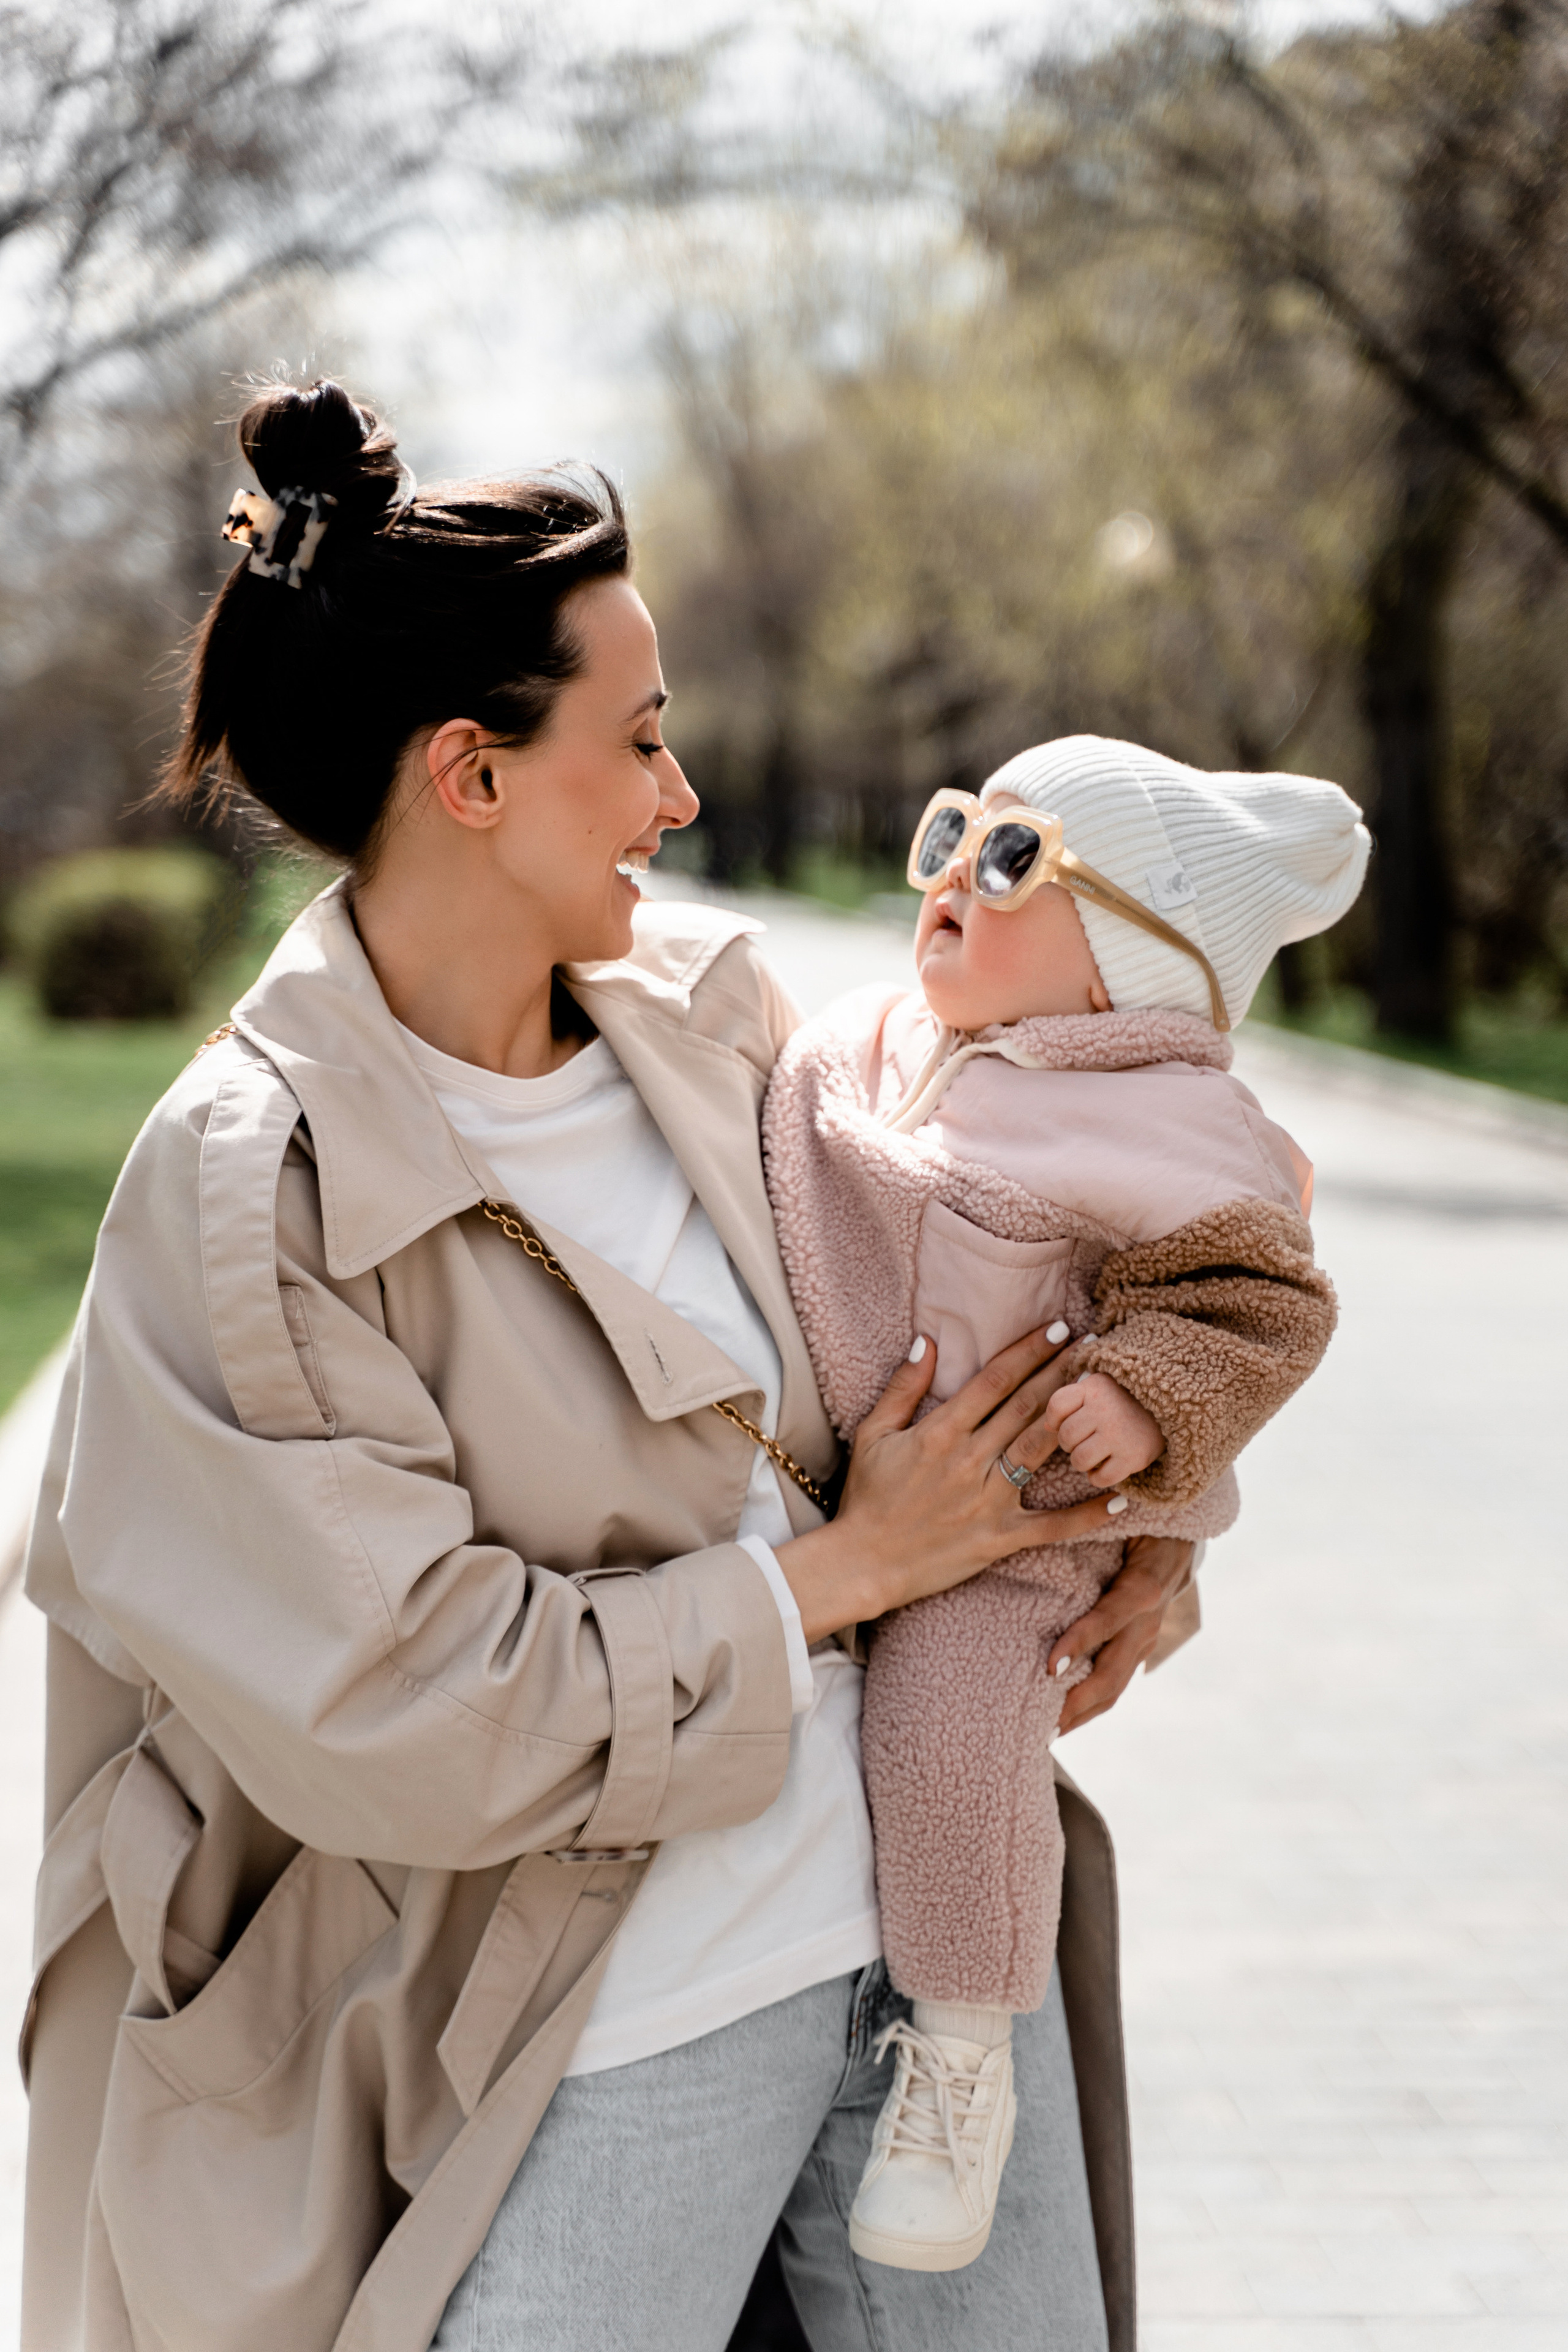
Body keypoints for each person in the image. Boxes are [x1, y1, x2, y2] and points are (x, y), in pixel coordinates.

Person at [20, 380, 1186, 2352]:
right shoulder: (249, 1196)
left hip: (919, 1974)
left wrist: (1132, 1519)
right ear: (470, 775)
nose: (682, 796)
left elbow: (991, 1326)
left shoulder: (732, 1033)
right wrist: (849, 1575)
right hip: (591, 2031)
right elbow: (413, 1702)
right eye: (637, 741)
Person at [761, 736, 1368, 2274]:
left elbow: (1259, 1308)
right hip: (872, 1475)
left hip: (1023, 1516)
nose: (957, 874)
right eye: (952, 833)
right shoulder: (879, 1034)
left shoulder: (1172, 1126)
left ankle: (956, 2061)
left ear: (1125, 972)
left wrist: (1146, 1400)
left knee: (953, 1722)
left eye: (1015, 859)